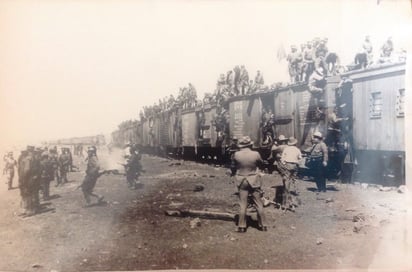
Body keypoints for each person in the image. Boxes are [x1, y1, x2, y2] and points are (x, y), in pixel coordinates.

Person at [231, 136, 267, 233]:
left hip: (242, 179)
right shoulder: (256, 154)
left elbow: (233, 167)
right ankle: (263, 225)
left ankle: (242, 226)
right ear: (250, 144)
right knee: (258, 203)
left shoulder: (236, 154)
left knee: (243, 204)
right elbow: (261, 164)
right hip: (254, 179)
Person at [278, 137, 302, 211]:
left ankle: (285, 202)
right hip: (294, 165)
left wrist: (284, 164)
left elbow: (282, 159)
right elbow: (300, 158)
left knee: (286, 182)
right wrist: (297, 164)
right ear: (295, 143)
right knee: (294, 180)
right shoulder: (297, 149)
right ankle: (295, 198)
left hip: (287, 165)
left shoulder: (286, 149)